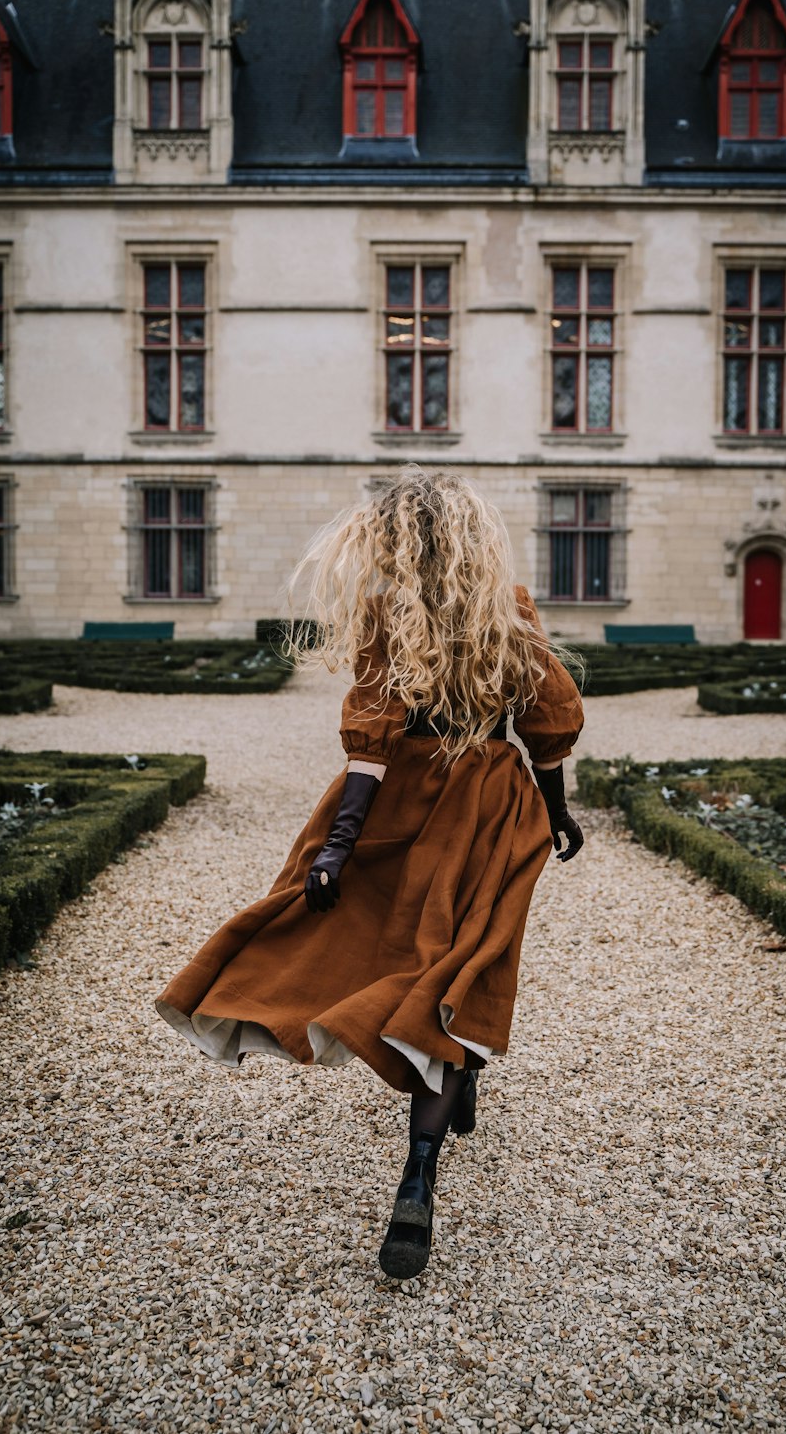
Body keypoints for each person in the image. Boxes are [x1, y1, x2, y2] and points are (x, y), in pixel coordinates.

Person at [155, 467, 585, 1278]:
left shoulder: (389, 615)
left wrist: (337, 846)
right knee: (469, 954)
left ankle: (447, 1091)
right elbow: (549, 725)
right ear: (470, 539)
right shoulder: (512, 610)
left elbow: (371, 745)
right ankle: (419, 1173)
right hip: (493, 803)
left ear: (397, 542)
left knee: (396, 954)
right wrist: (556, 812)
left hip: (405, 807)